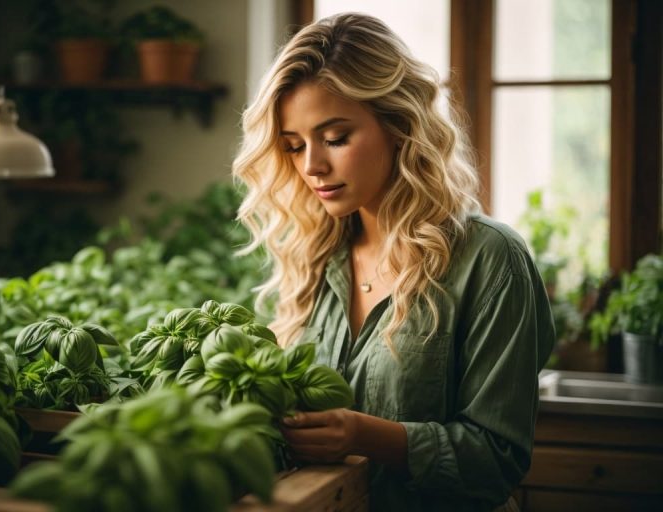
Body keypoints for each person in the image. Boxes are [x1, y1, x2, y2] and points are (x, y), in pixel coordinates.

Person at [232, 12, 555, 512]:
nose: (312, 165)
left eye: (335, 138)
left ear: (399, 126)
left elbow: (496, 462)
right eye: (294, 147)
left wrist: (365, 434)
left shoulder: (490, 260)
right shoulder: (314, 256)